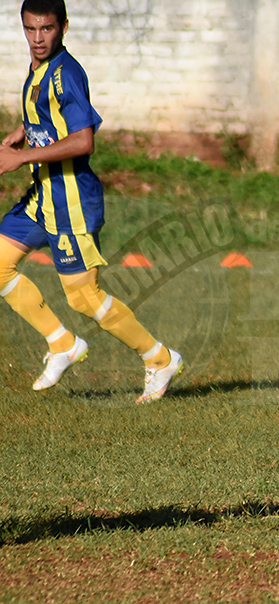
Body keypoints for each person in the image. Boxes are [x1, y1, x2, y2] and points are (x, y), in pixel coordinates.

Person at [0, 0, 183, 403]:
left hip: (71, 202)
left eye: (46, 29)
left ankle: (159, 358)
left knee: (84, 297)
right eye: (30, 29)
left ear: (63, 26)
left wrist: (21, 157)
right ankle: (62, 343)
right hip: (43, 195)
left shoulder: (67, 73)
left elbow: (83, 139)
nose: (37, 39)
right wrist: (24, 130)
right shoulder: (39, 68)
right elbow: (50, 113)